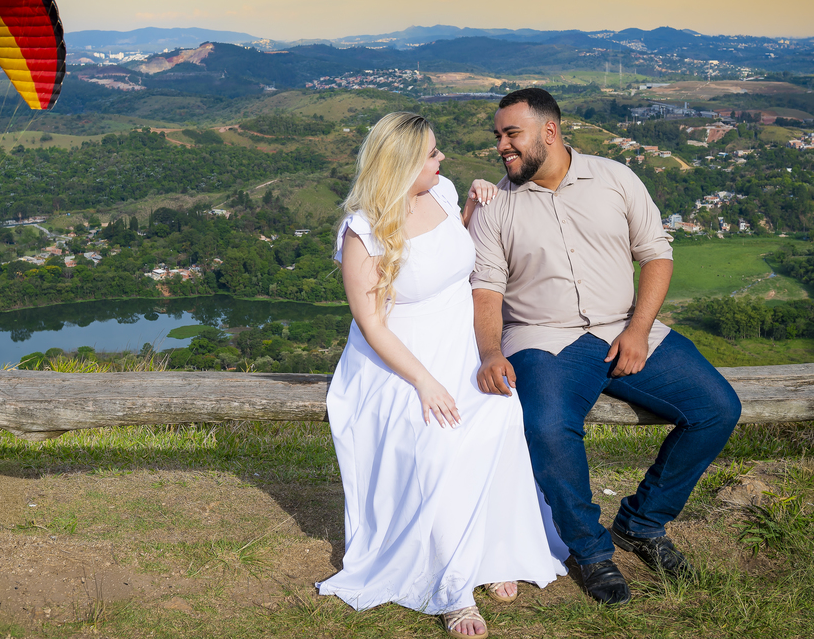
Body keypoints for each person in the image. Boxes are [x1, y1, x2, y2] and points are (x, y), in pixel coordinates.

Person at [469, 88, 742, 606]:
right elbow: (486, 290)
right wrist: (489, 352)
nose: (502, 146)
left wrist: (638, 331)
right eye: (498, 137)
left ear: (549, 131)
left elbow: (656, 256)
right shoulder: (496, 205)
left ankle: (643, 522)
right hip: (542, 337)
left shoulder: (615, 178)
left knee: (717, 407)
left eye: (511, 134)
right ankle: (592, 553)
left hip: (626, 326)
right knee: (548, 427)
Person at [317, 111, 568, 637]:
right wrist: (425, 381)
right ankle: (451, 587)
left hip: (459, 345)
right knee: (442, 444)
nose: (443, 159)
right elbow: (373, 324)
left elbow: (442, 257)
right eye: (432, 153)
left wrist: (471, 206)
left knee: (501, 418)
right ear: (404, 164)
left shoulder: (446, 193)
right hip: (398, 361)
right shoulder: (363, 231)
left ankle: (497, 551)